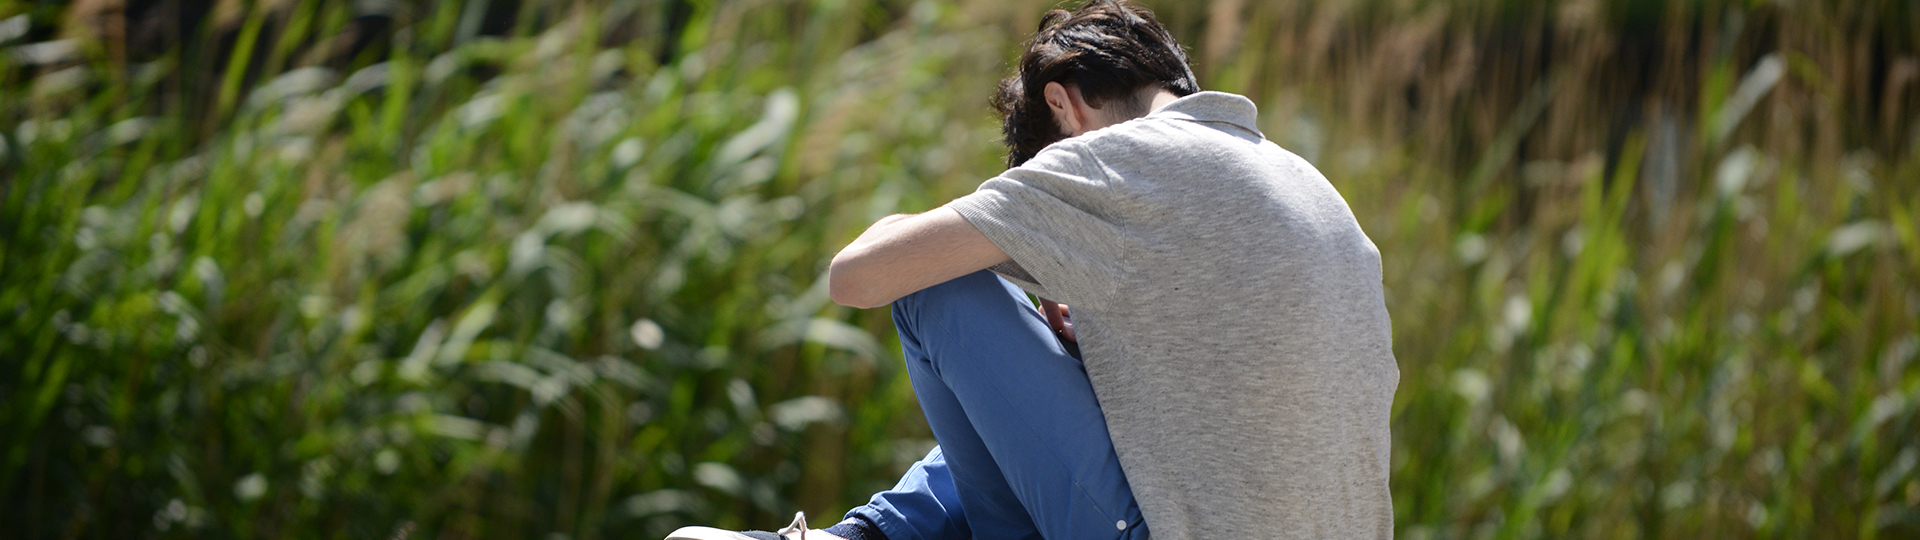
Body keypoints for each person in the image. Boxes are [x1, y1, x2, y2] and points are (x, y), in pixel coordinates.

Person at [668, 1, 1397, 539]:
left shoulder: (1118, 161)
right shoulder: (1308, 186)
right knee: (1081, 368)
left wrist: (927, 229)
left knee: (936, 285)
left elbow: (856, 277)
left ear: (1064, 105)